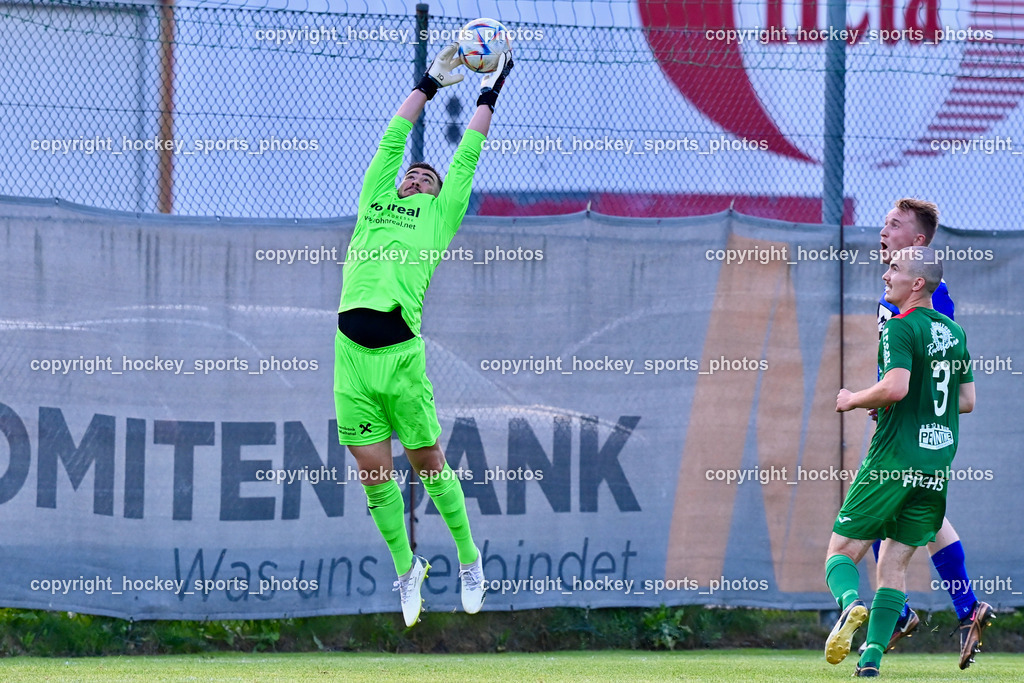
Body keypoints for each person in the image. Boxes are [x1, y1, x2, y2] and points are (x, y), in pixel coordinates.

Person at [333, 44, 514, 627]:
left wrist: (491, 89)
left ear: (438, 195)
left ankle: (467, 558)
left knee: (428, 462)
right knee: (371, 472)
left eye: (426, 175)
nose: (418, 173)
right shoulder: (374, 202)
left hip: (399, 354)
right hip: (349, 357)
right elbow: (392, 138)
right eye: (414, 171)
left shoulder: (440, 216)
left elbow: (467, 156)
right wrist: (430, 83)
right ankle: (407, 568)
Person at [826, 245, 975, 677]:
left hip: (893, 460)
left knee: (841, 551)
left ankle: (850, 606)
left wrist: (853, 399)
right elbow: (966, 401)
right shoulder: (955, 332)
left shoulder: (899, 327)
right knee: (893, 563)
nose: (885, 275)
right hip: (936, 465)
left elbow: (893, 388)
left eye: (893, 269)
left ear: (917, 283)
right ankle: (870, 660)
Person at [870, 199, 992, 668]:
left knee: (870, 517)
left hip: (910, 429)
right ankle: (966, 608)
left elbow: (949, 370)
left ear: (919, 243)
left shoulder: (929, 299)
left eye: (895, 225)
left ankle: (898, 615)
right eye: (884, 222)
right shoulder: (896, 293)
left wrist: (887, 397)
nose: (884, 230)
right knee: (923, 519)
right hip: (907, 425)